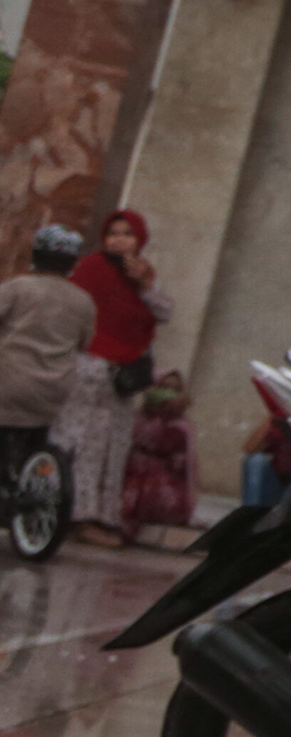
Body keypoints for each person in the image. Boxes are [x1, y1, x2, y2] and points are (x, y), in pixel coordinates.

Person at [54, 209, 165, 546]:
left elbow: (163, 313)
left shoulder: (143, 274)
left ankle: (101, 517)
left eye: (128, 234)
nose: (119, 240)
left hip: (122, 375)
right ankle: (75, 517)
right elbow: (70, 309)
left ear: (140, 239)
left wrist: (145, 284)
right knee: (81, 444)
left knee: (113, 448)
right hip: (87, 367)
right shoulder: (90, 268)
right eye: (113, 233)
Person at [0, 227, 98, 500]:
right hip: (53, 387)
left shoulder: (18, 288)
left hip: (8, 382)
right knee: (34, 438)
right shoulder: (82, 300)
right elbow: (84, 343)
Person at [123, 373, 197, 540]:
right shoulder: (135, 418)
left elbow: (182, 466)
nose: (169, 393)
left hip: (160, 480)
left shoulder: (181, 426)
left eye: (175, 390)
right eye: (164, 387)